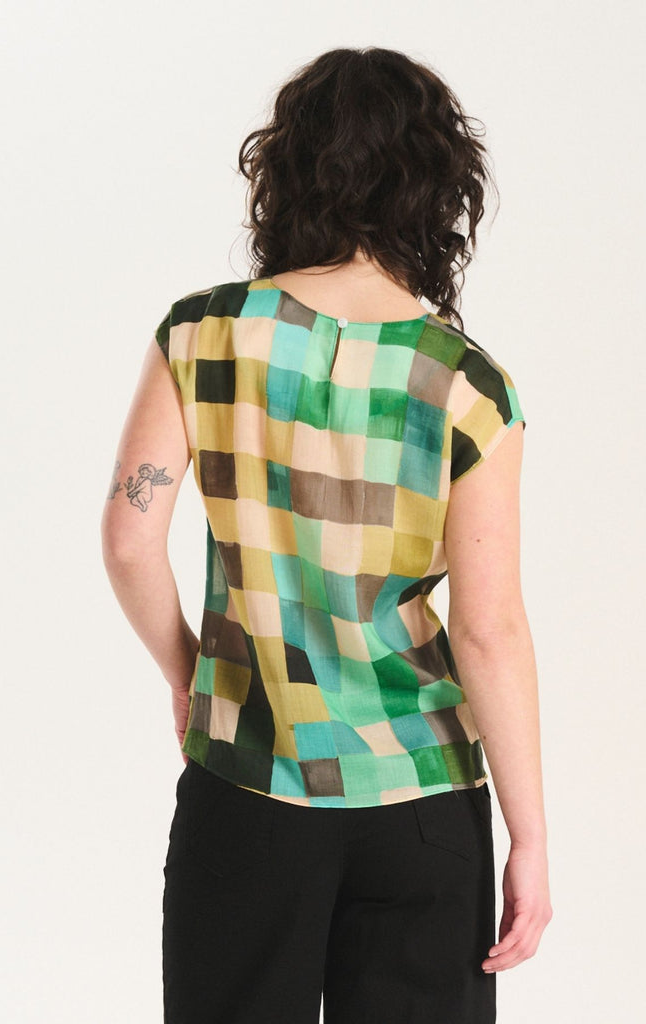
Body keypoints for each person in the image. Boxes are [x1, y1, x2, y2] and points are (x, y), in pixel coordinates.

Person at [101, 45, 551, 1024]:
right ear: (436, 186)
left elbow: (131, 539)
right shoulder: (467, 386)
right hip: (422, 802)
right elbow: (488, 631)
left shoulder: (202, 333)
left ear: (287, 173)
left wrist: (189, 673)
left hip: (248, 784)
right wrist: (529, 838)